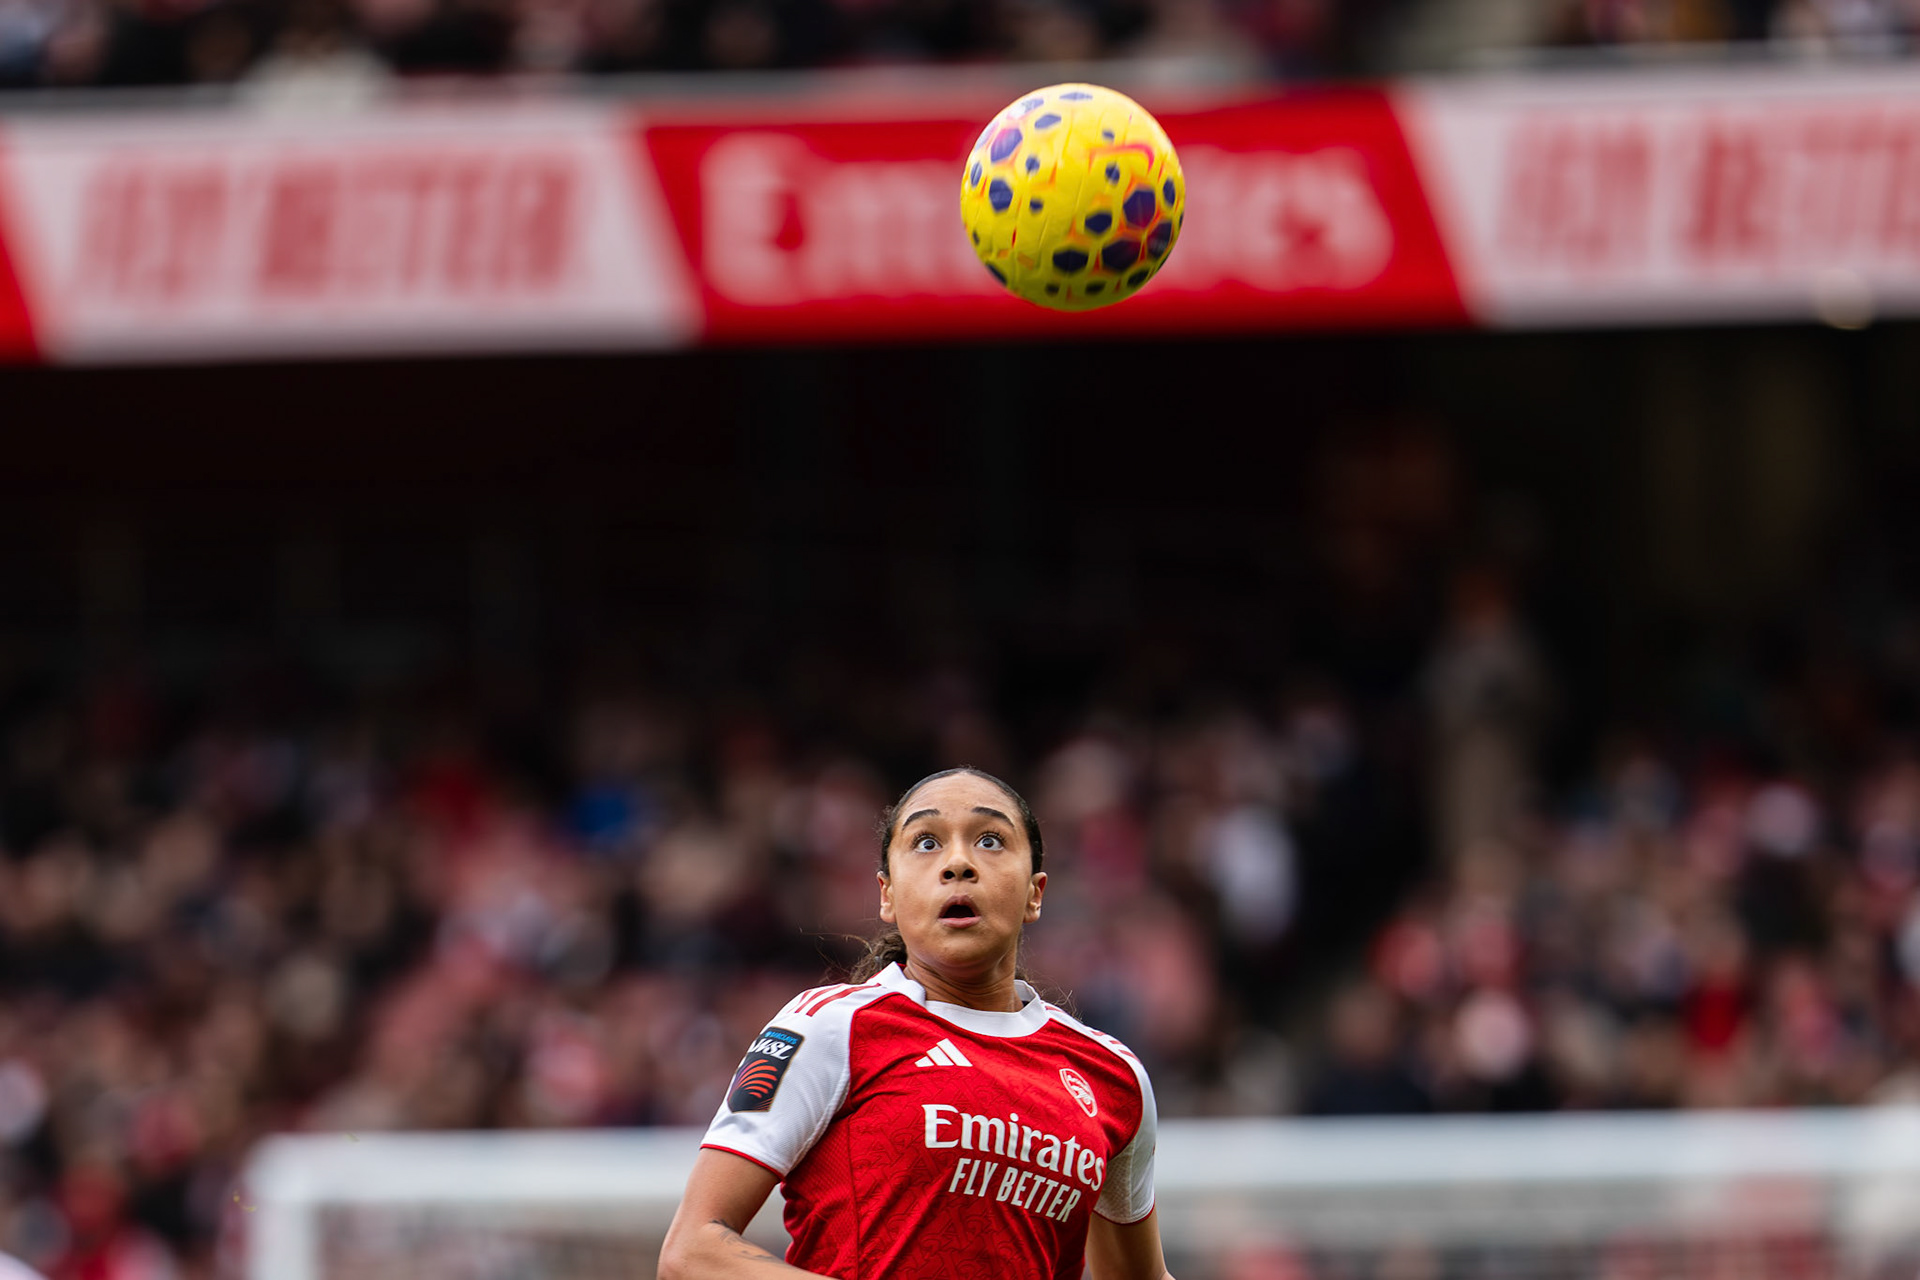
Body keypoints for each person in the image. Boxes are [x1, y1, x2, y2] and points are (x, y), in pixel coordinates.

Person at [659, 767, 1174, 1280]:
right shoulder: (829, 1028)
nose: (958, 863)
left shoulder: (1114, 1076)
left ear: (1035, 893)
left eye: (990, 840)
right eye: (926, 843)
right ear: (887, 894)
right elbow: (691, 1254)